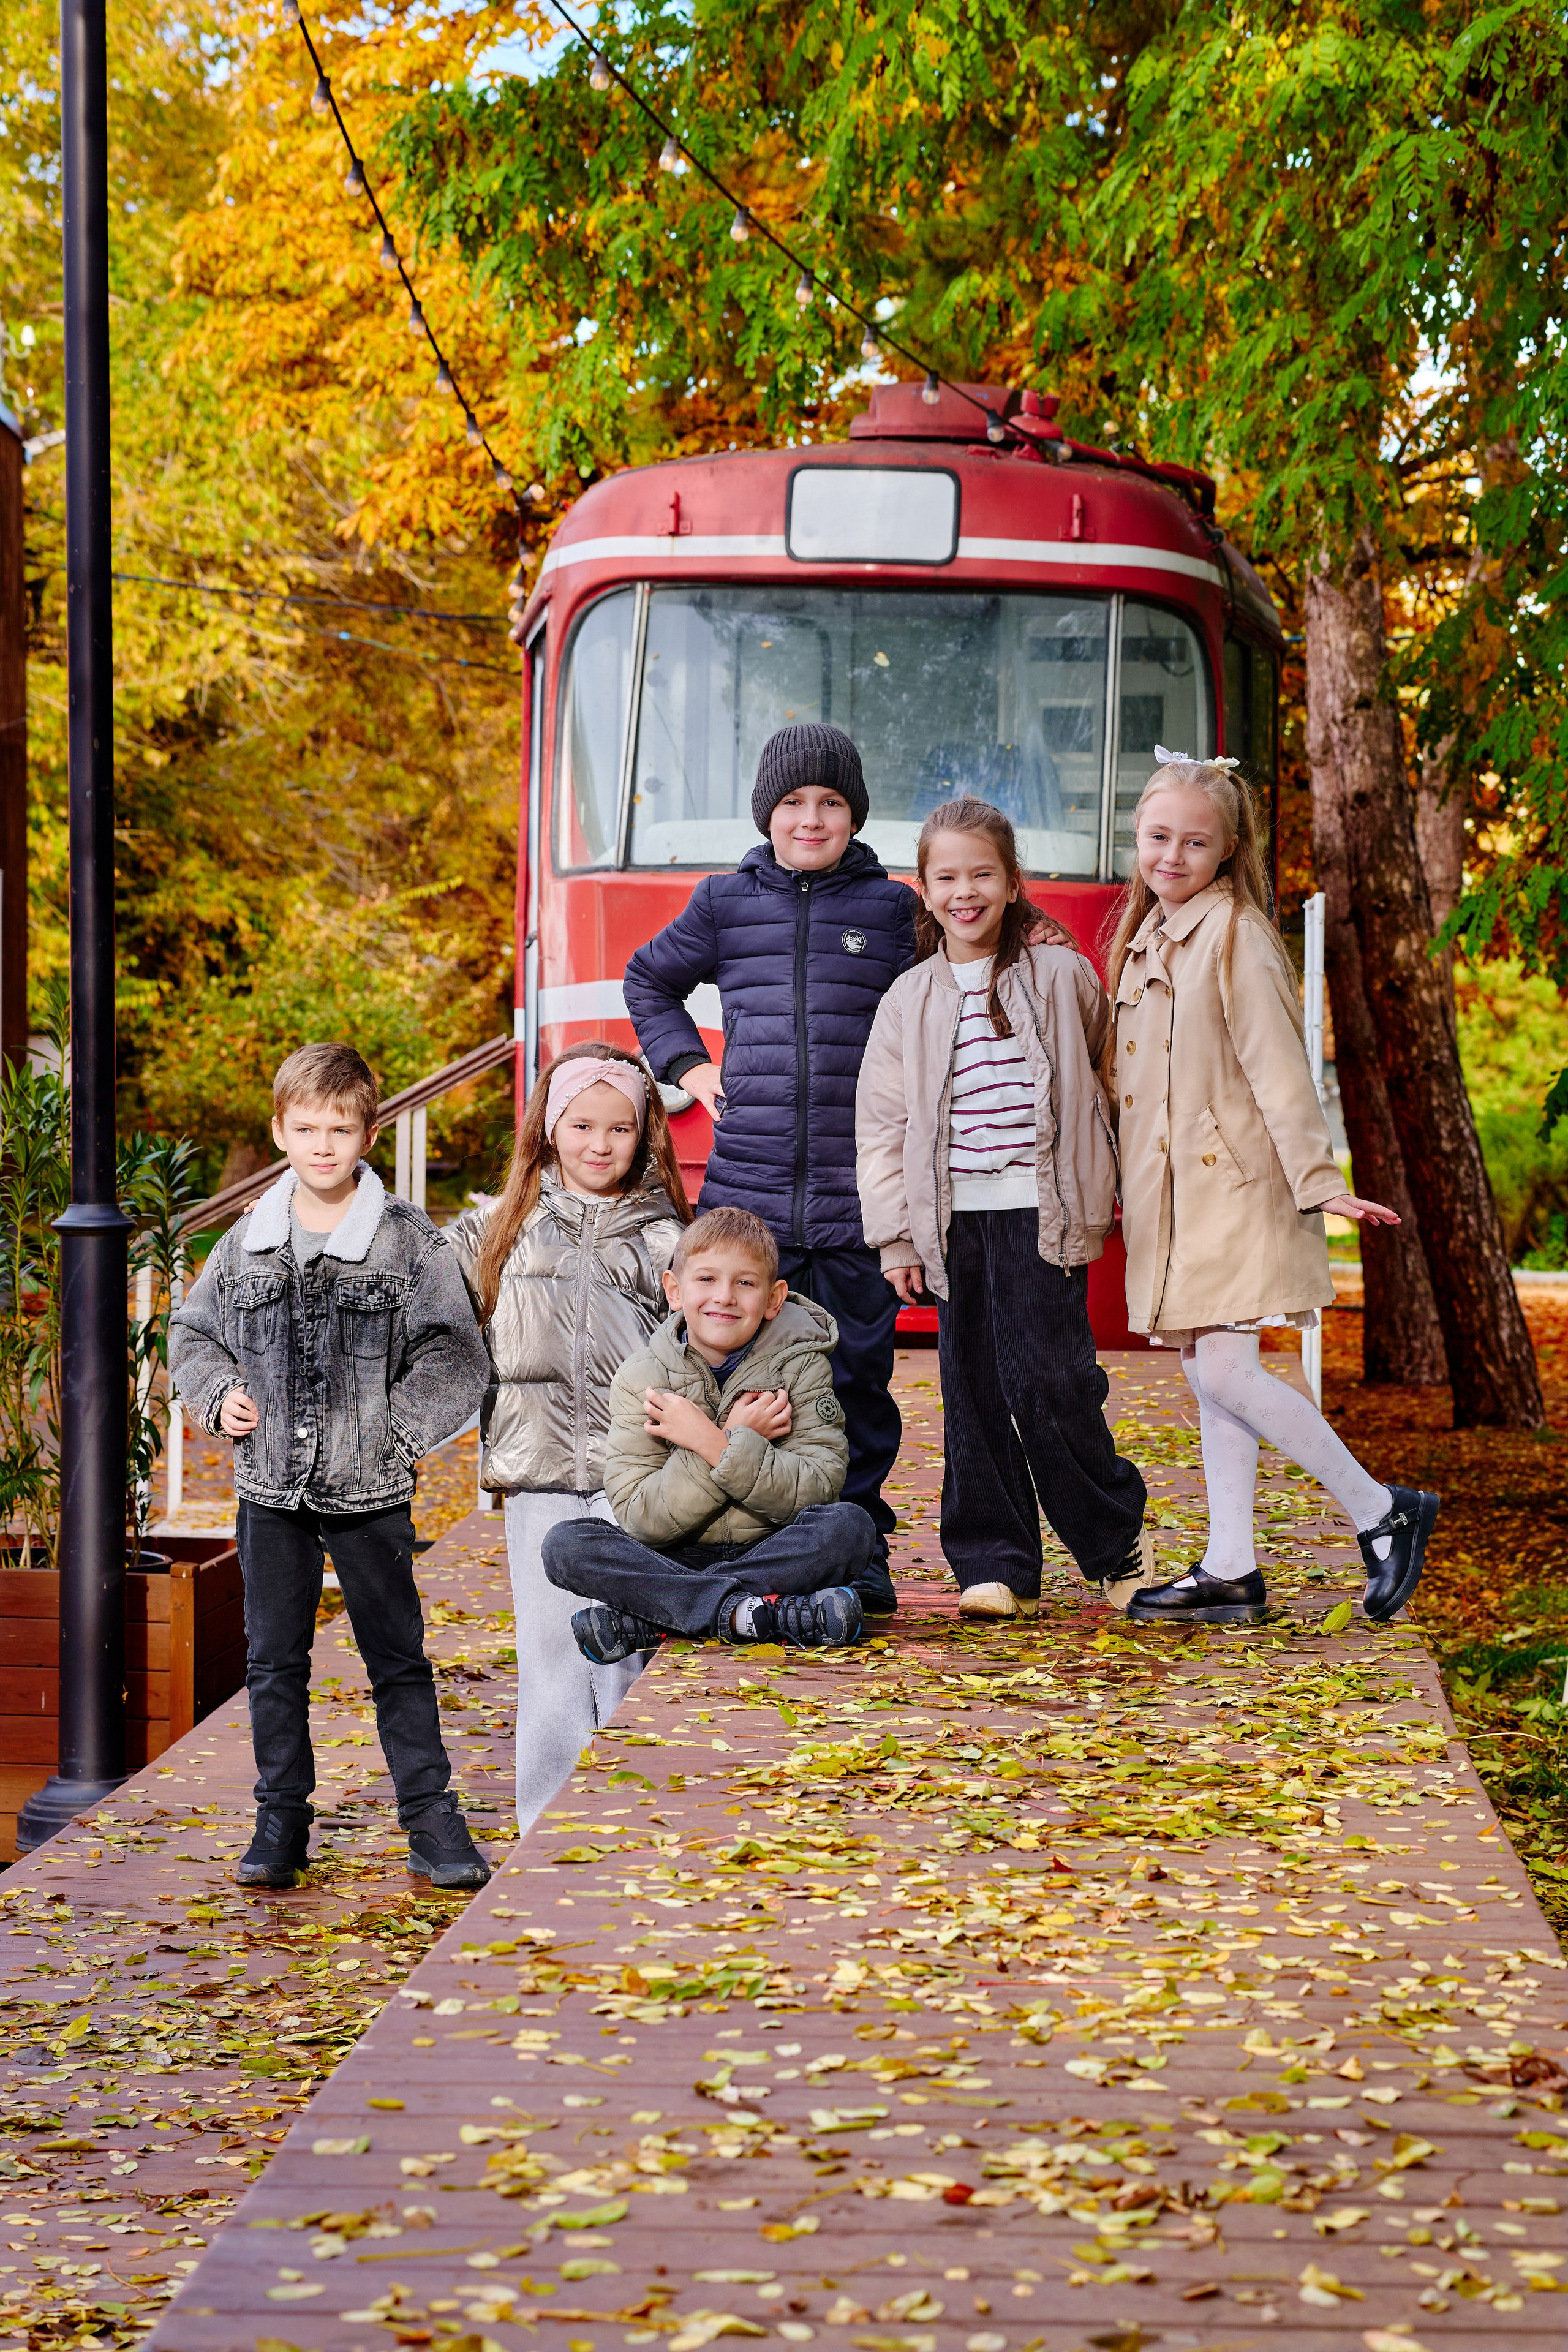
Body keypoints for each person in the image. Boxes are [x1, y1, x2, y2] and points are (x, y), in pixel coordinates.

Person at [1107, 750, 1438, 1624]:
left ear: (1228, 849)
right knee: (1210, 1369)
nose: (1172, 855)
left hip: (1239, 1190)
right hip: (1179, 1199)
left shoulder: (1236, 935)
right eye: (1158, 837)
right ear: (1137, 836)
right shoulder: (1145, 938)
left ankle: (1381, 1510)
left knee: (1224, 1367)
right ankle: (1230, 1566)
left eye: (1194, 842)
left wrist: (1319, 1182)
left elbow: (1279, 1069)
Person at [168, 1042, 492, 1890]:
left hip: (369, 1489)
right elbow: (192, 1335)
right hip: (270, 1490)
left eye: (340, 1130)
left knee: (397, 1658)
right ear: (280, 1131)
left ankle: (431, 1819)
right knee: (274, 1661)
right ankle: (281, 1818)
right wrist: (219, 1395)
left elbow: (455, 1355)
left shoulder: (406, 1241)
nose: (323, 1146)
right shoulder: (246, 1242)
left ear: (368, 1135)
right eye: (307, 1128)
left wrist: (396, 1434)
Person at [622, 722, 915, 1615]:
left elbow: (956, 986)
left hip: (856, 1195)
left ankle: (857, 1547)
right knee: (747, 1380)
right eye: (793, 802)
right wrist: (689, 1067)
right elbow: (648, 980)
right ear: (767, 813)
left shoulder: (894, 911)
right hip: (748, 1202)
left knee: (856, 1383)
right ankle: (753, 1549)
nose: (811, 818)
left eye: (830, 802)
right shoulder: (723, 903)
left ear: (854, 815)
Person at [856, 797, 1155, 1619]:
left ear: (1014, 883)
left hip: (1042, 1209)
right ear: (923, 890)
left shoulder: (1062, 976)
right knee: (973, 1389)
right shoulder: (909, 998)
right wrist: (895, 1239)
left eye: (983, 875)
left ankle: (1114, 1541)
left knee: (1050, 1382)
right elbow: (881, 1126)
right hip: (952, 1220)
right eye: (948, 878)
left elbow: (1106, 1075)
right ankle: (995, 1561)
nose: (966, 892)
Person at [448, 1041, 690, 1835]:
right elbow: (411, 1297)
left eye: (619, 1128)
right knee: (552, 1655)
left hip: (636, 1479)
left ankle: (627, 1823)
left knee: (625, 1650)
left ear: (644, 1133)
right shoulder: (497, 1229)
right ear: (550, 1129)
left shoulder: (666, 1238)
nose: (599, 1143)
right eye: (581, 1125)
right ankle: (543, 1831)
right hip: (539, 1475)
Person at [542, 1206, 875, 1658]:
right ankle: (758, 1614)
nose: (725, 1296)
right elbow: (642, 1518)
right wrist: (731, 1437)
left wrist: (715, 1443)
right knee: (567, 1546)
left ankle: (661, 1614)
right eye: (706, 1279)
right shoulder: (642, 1377)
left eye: (745, 1283)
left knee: (849, 1528)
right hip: (676, 1554)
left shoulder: (802, 1368)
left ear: (774, 1299)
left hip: (773, 1549)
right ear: (675, 1291)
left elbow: (817, 1489)